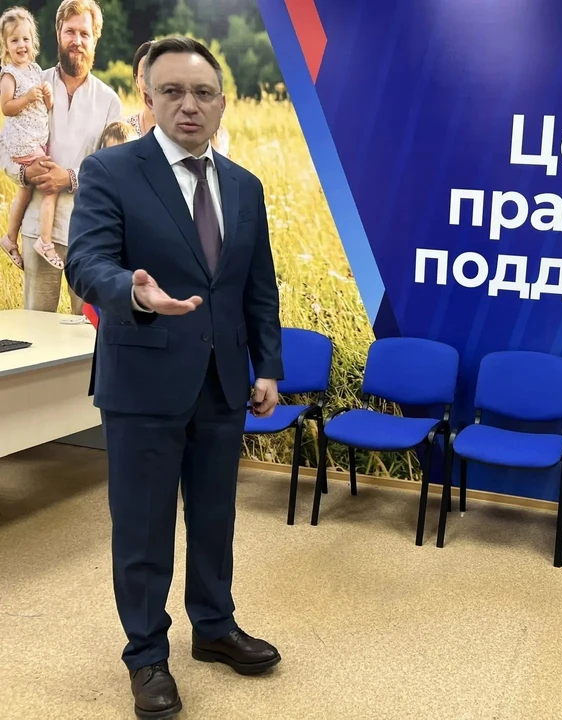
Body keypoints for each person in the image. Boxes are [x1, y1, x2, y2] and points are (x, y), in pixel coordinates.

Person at [64, 36, 283, 720]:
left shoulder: (244, 186)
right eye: (173, 92)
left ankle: (214, 627)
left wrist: (268, 368)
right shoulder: (110, 171)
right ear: (148, 98)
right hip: (142, 381)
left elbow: (258, 287)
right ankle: (146, 655)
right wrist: (130, 290)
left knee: (215, 519)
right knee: (144, 527)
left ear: (222, 103)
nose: (189, 105)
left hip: (222, 383)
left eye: (203, 93)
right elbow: (85, 261)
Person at [0, 0, 121, 314]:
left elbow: (115, 169)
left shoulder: (109, 100)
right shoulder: (31, 83)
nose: (76, 40)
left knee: (88, 329)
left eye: (84, 33)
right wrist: (25, 174)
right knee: (36, 330)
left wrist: (69, 178)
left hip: (90, 236)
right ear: (58, 33)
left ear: (95, 39)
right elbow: (7, 147)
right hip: (37, 230)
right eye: (70, 32)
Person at [0, 6, 54, 270]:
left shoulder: (34, 69)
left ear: (33, 41)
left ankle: (10, 237)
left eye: (25, 39)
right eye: (14, 40)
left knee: (25, 191)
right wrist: (27, 98)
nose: (21, 45)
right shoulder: (9, 74)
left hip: (36, 140)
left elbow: (45, 105)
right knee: (50, 185)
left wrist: (47, 96)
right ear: (5, 45)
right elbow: (6, 107)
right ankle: (45, 240)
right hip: (22, 142)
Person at [128, 38, 230, 157]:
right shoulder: (125, 130)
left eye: (202, 92)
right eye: (144, 76)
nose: (189, 107)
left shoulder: (214, 134)